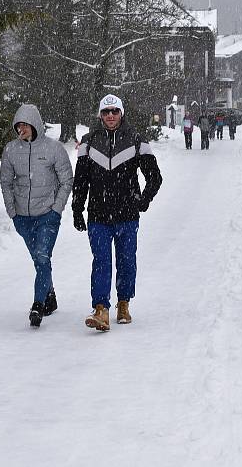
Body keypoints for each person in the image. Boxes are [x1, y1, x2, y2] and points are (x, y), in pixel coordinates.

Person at [72, 94, 163, 331]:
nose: (110, 115)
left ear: (121, 113)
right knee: (101, 262)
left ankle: (124, 303)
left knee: (126, 261)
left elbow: (154, 176)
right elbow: (80, 181)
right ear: (100, 115)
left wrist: (144, 200)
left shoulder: (136, 140)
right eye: (105, 112)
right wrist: (76, 209)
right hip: (98, 216)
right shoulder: (88, 142)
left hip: (127, 215)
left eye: (114, 111)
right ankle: (101, 309)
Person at [0, 104, 73, 328]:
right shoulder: (11, 150)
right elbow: (6, 182)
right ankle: (49, 296)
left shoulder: (54, 149)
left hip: (47, 215)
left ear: (35, 125)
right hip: (23, 217)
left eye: (25, 125)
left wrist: (56, 209)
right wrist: (13, 212)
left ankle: (37, 305)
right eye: (18, 126)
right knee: (39, 260)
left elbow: (66, 180)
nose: (21, 129)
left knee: (42, 258)